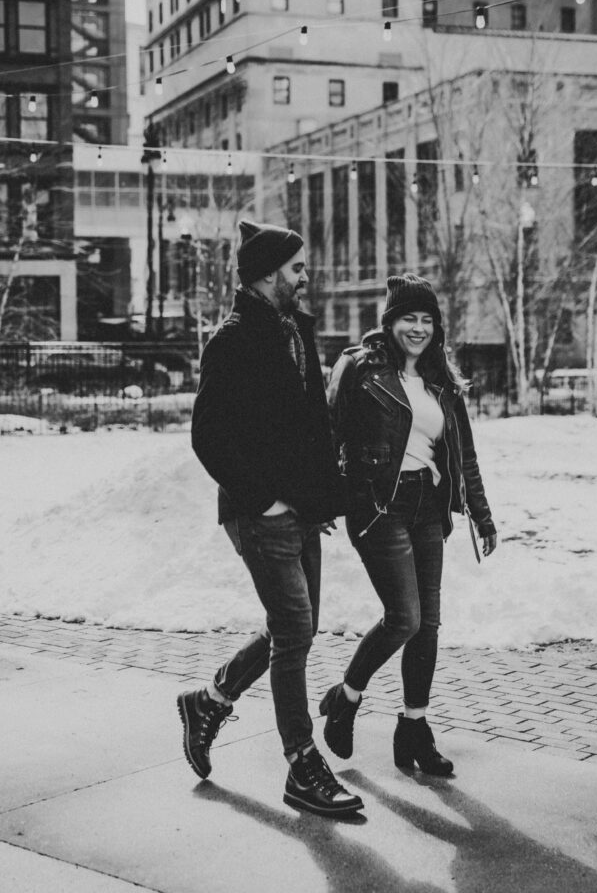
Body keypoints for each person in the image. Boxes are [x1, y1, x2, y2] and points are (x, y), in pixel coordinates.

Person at [179, 218, 363, 818]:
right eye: (297, 268)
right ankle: (301, 764)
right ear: (266, 273)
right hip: (261, 511)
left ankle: (210, 700)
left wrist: (318, 497)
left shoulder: (292, 331)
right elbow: (208, 436)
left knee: (297, 629)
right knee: (293, 632)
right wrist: (263, 500)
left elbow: (307, 428)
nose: (305, 277)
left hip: (298, 507)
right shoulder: (232, 341)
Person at [321, 274, 497, 775]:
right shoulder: (359, 369)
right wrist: (323, 501)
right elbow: (327, 435)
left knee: (429, 625)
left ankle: (414, 727)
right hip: (379, 506)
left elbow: (464, 455)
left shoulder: (442, 381)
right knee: (405, 618)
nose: (418, 328)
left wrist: (480, 513)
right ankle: (346, 697)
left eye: (427, 319)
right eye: (408, 318)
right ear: (390, 322)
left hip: (428, 506)